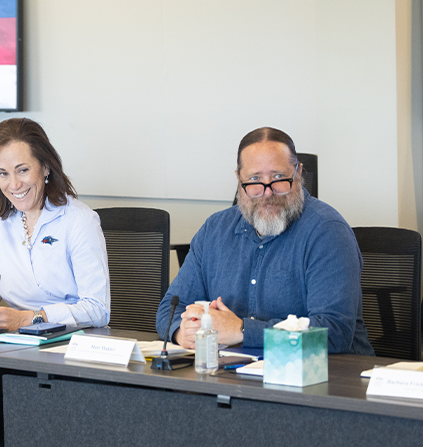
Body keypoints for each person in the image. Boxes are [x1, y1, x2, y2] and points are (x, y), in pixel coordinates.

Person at [155, 127, 374, 355]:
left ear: (298, 173)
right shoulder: (215, 230)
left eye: (278, 178)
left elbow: (334, 333)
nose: (268, 193)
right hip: (236, 376)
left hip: (323, 378)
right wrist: (184, 332)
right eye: (255, 179)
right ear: (239, 180)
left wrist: (241, 330)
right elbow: (169, 309)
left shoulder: (327, 231)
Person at [0, 117, 110, 330]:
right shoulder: (0, 226)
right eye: (3, 174)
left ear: (46, 167)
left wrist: (29, 318)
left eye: (23, 170)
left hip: (70, 344)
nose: (14, 184)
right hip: (16, 343)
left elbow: (98, 309)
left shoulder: (79, 221)